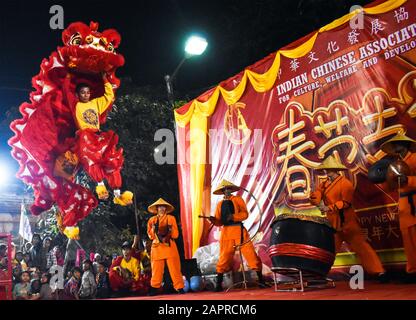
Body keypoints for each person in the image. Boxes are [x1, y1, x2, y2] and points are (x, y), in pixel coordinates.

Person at [310, 154, 388, 282]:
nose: (326, 172)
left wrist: (328, 208)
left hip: (348, 223)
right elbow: (316, 196)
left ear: (335, 170)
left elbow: (346, 203)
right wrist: (315, 198)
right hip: (333, 224)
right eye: (325, 169)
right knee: (329, 250)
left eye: (328, 169)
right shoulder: (323, 185)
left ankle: (379, 272)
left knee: (362, 247)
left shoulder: (345, 184)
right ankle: (319, 274)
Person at [63, 72, 132, 206]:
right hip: (85, 137)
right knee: (90, 159)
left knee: (111, 159)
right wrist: (68, 77)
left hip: (98, 136)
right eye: (82, 92)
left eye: (88, 92)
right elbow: (67, 92)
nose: (85, 95)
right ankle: (100, 185)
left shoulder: (95, 103)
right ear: (77, 95)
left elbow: (109, 95)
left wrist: (104, 78)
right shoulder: (75, 105)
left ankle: (118, 194)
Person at [210, 180, 265, 291]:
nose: (227, 191)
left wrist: (234, 217)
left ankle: (261, 280)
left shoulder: (238, 200)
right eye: (224, 189)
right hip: (226, 233)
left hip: (239, 231)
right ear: (222, 191)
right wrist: (213, 220)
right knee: (224, 257)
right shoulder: (220, 204)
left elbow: (245, 214)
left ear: (231, 189)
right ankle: (218, 284)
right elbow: (219, 221)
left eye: (228, 189)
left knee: (251, 255)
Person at [380, 132, 416, 283]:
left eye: (398, 144)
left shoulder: (414, 158)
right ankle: (412, 270)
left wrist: (409, 180)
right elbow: (390, 187)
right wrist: (385, 178)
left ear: (406, 145)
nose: (396, 147)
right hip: (403, 205)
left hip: (414, 200)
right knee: (408, 239)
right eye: (394, 145)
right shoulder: (394, 164)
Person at [147, 198, 185, 295]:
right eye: (160, 207)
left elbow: (176, 235)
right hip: (157, 247)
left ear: (166, 208)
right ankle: (154, 288)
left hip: (169, 246)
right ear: (157, 208)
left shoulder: (171, 218)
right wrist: (153, 229)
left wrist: (170, 231)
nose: (161, 208)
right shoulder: (152, 220)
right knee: (156, 269)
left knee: (175, 268)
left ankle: (179, 287)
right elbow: (150, 236)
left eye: (163, 206)